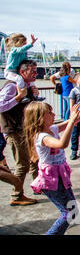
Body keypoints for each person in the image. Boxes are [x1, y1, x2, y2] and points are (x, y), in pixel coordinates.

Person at [24, 99, 80, 234]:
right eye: (49, 113)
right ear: (40, 118)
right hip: (51, 179)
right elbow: (62, 144)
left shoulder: (52, 129)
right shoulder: (42, 137)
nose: (53, 114)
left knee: (72, 211)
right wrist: (72, 121)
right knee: (68, 213)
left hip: (60, 176)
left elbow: (75, 120)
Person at [0, 59, 41, 206]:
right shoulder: (12, 87)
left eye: (36, 71)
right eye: (33, 71)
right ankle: (17, 195)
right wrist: (19, 96)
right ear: (22, 72)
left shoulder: (27, 87)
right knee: (22, 164)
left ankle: (36, 185)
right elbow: (1, 106)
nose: (36, 74)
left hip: (24, 129)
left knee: (33, 159)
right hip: (14, 130)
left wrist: (34, 95)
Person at [4, 33, 44, 102]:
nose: (25, 45)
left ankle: (35, 96)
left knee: (31, 82)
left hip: (17, 71)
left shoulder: (23, 53)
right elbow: (21, 50)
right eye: (24, 43)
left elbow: (26, 61)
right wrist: (31, 44)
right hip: (10, 72)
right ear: (18, 43)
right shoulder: (13, 50)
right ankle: (22, 96)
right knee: (19, 79)